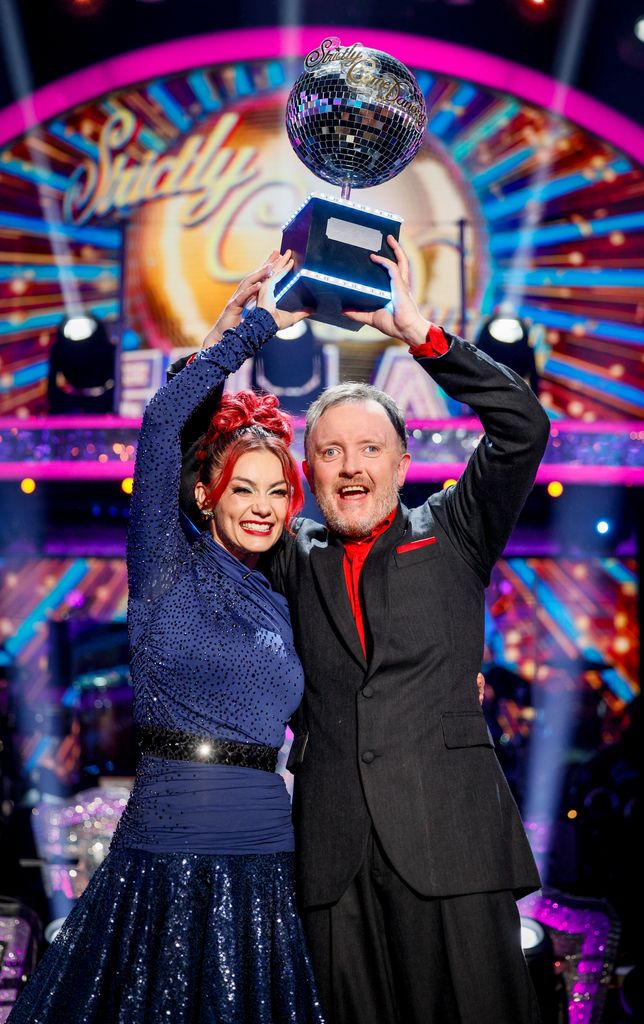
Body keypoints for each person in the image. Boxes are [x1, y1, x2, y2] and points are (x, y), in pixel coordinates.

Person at [8, 252, 325, 1024]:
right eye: (242, 488)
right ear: (202, 494)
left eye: (278, 490)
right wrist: (247, 331)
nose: (262, 506)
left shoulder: (285, 590)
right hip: (167, 851)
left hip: (268, 859)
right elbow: (159, 425)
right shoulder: (163, 566)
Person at [257, 236, 551, 1024]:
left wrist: (420, 331)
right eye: (329, 452)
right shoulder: (288, 553)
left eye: (369, 449)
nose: (351, 467)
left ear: (402, 459)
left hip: (451, 844)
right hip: (333, 856)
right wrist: (248, 329)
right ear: (307, 473)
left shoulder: (454, 528)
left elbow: (523, 428)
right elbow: (183, 474)